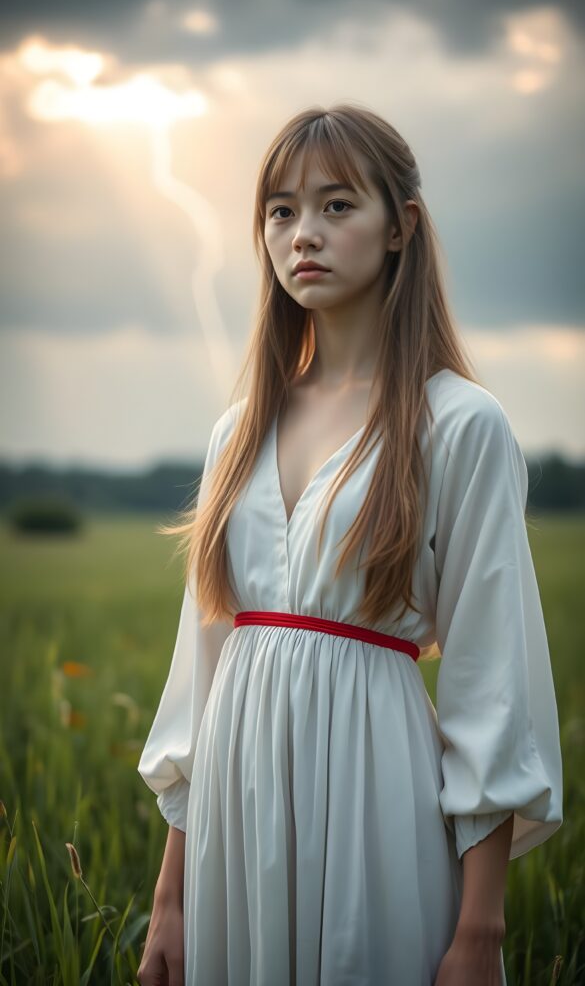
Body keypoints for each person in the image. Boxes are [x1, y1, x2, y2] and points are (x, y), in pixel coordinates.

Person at [136, 103, 563, 986]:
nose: (304, 235)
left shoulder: (459, 425)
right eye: (281, 211)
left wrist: (478, 932)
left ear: (400, 225)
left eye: (337, 206)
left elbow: (493, 684)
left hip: (376, 793)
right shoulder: (238, 433)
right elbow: (200, 677)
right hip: (235, 816)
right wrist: (170, 901)